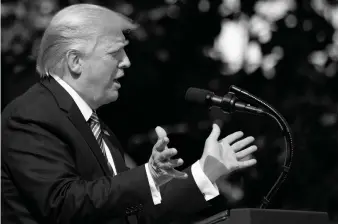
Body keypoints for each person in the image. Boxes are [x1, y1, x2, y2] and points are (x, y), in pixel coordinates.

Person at [1, 4, 258, 224]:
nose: (126, 61)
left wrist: (206, 172)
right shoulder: (30, 115)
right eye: (115, 52)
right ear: (75, 61)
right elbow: (62, 204)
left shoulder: (95, 126)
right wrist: (147, 176)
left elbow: (132, 215)